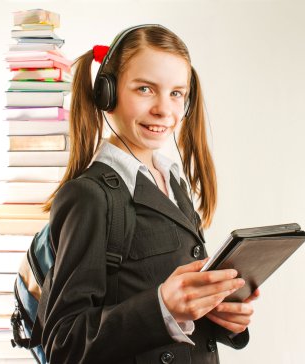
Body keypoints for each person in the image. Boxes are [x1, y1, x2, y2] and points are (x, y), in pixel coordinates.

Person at [42, 24, 259, 364]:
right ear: (107, 94)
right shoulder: (89, 196)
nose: (164, 109)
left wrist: (224, 318)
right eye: (145, 89)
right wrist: (161, 307)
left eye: (176, 93)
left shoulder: (174, 183)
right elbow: (63, 344)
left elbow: (180, 313)